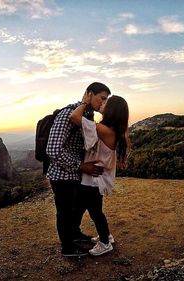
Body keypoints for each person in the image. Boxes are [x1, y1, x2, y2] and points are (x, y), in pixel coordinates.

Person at [46, 82, 111, 257]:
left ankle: (74, 235)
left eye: (107, 101)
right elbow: (53, 149)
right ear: (89, 94)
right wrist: (81, 166)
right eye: (102, 99)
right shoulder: (67, 114)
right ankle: (67, 248)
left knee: (76, 209)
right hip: (61, 175)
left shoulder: (87, 116)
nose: (103, 104)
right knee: (65, 212)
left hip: (75, 175)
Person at [70, 93, 130, 256]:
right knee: (95, 209)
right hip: (98, 178)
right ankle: (106, 236)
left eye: (106, 102)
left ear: (112, 111)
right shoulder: (115, 130)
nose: (103, 103)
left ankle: (105, 243)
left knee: (96, 212)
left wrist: (84, 102)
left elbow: (74, 117)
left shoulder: (103, 129)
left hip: (94, 179)